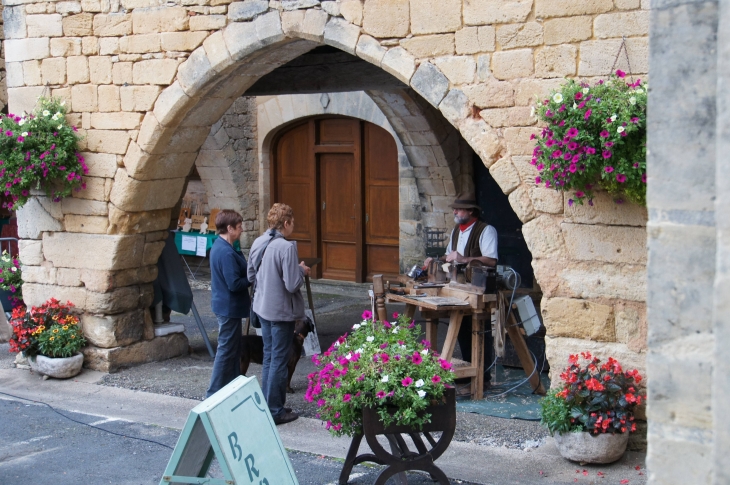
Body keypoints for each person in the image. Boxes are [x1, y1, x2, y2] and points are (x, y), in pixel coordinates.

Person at [425, 192, 498, 388]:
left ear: (471, 211)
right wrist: (436, 260)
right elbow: (450, 255)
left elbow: (491, 260)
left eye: (458, 208)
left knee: (479, 332)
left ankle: (483, 378)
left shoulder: (486, 230)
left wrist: (465, 259)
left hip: (479, 289)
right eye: (454, 208)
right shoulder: (457, 230)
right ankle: (467, 375)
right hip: (459, 287)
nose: (455, 211)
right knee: (462, 330)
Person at [248, 203, 310, 425]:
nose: (293, 226)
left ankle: (266, 405)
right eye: (292, 223)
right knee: (279, 359)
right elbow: (292, 284)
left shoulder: (258, 242)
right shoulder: (286, 247)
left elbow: (250, 274)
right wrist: (301, 271)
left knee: (269, 356)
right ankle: (275, 409)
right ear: (286, 223)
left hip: (263, 308)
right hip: (281, 311)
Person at [206, 210, 251, 398]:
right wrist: (251, 278)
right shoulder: (225, 252)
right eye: (239, 227)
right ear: (229, 228)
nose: (241, 230)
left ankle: (232, 387)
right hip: (228, 307)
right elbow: (234, 284)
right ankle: (213, 392)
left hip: (226, 306)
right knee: (225, 350)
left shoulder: (224, 247)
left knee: (233, 348)